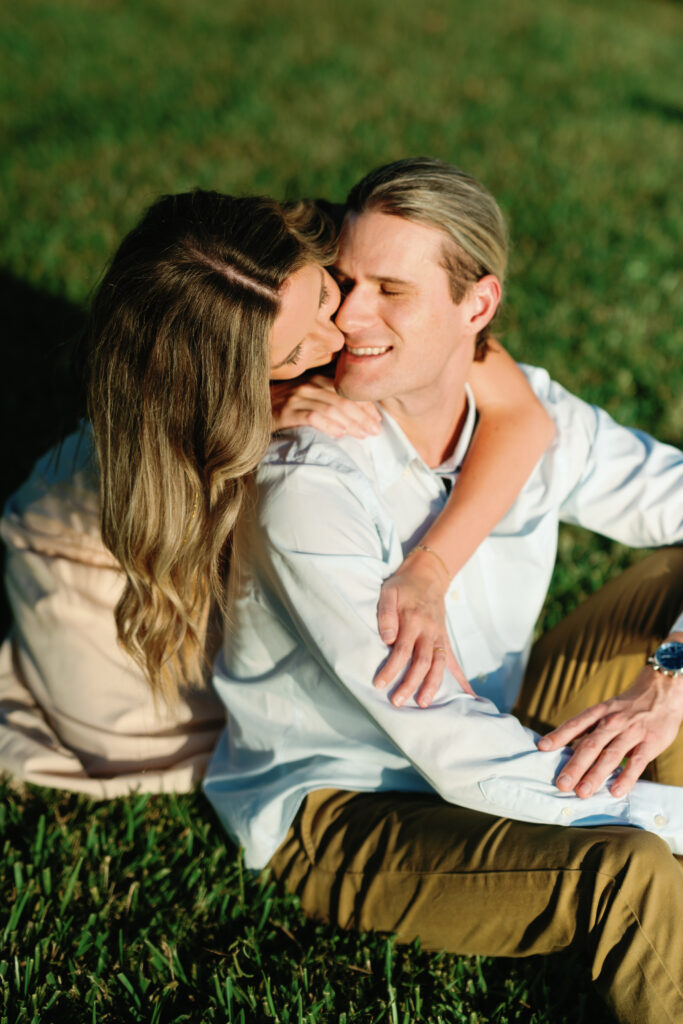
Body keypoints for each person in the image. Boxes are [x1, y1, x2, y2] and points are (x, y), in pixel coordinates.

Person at [204, 159, 683, 1024]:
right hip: (348, 802)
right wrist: (663, 818)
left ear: (478, 306)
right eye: (345, 283)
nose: (349, 318)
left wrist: (670, 673)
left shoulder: (528, 410)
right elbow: (446, 750)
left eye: (391, 289)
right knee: (631, 870)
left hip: (504, 714)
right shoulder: (308, 479)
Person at [0, 186, 552, 795]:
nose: (338, 336)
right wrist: (252, 413)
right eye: (293, 353)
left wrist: (430, 569)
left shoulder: (346, 251)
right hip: (97, 553)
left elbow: (524, 420)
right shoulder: (178, 417)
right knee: (154, 748)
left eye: (323, 294)